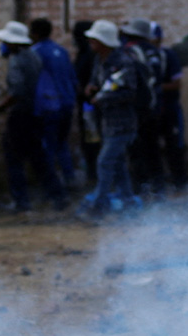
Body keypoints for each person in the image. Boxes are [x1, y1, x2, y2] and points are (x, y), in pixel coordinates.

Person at [0, 21, 66, 213]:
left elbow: (17, 90)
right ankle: (57, 195)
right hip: (36, 113)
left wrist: (2, 106)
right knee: (38, 157)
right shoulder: (34, 56)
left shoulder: (17, 60)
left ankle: (21, 201)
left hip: (20, 114)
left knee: (14, 157)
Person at [82, 20, 145, 216]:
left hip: (122, 123)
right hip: (107, 122)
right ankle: (128, 200)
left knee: (105, 162)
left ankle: (100, 204)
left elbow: (129, 92)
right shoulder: (99, 60)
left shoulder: (123, 63)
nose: (91, 41)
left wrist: (103, 98)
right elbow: (96, 80)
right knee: (117, 163)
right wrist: (92, 87)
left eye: (95, 39)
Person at [29, 18, 80, 189]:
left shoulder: (35, 52)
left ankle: (51, 185)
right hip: (67, 102)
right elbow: (73, 78)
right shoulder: (62, 51)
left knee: (48, 146)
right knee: (62, 143)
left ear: (35, 34)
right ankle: (69, 177)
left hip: (50, 106)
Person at [120, 19, 166, 196]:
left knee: (136, 150)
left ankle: (140, 189)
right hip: (155, 106)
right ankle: (159, 188)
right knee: (153, 149)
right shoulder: (157, 52)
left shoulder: (130, 50)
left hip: (137, 108)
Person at [150, 22, 188, 190]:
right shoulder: (142, 55)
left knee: (174, 145)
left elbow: (177, 83)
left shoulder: (168, 55)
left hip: (169, 107)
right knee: (153, 147)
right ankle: (158, 183)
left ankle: (180, 181)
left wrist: (154, 88)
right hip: (153, 110)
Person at [72, 20, 101, 184]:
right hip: (86, 105)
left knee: (93, 141)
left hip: (91, 105)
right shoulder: (84, 54)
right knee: (90, 140)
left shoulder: (91, 56)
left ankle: (95, 175)